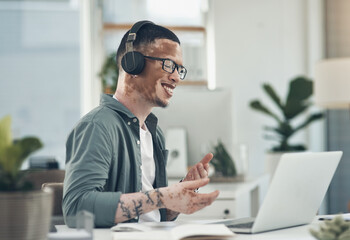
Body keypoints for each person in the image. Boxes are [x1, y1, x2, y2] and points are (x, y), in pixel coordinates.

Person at [62, 20, 219, 228]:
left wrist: (175, 199)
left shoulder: (154, 133)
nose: (175, 77)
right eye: (169, 64)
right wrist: (161, 196)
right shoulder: (97, 126)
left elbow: (152, 216)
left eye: (179, 69)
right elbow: (76, 210)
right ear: (132, 63)